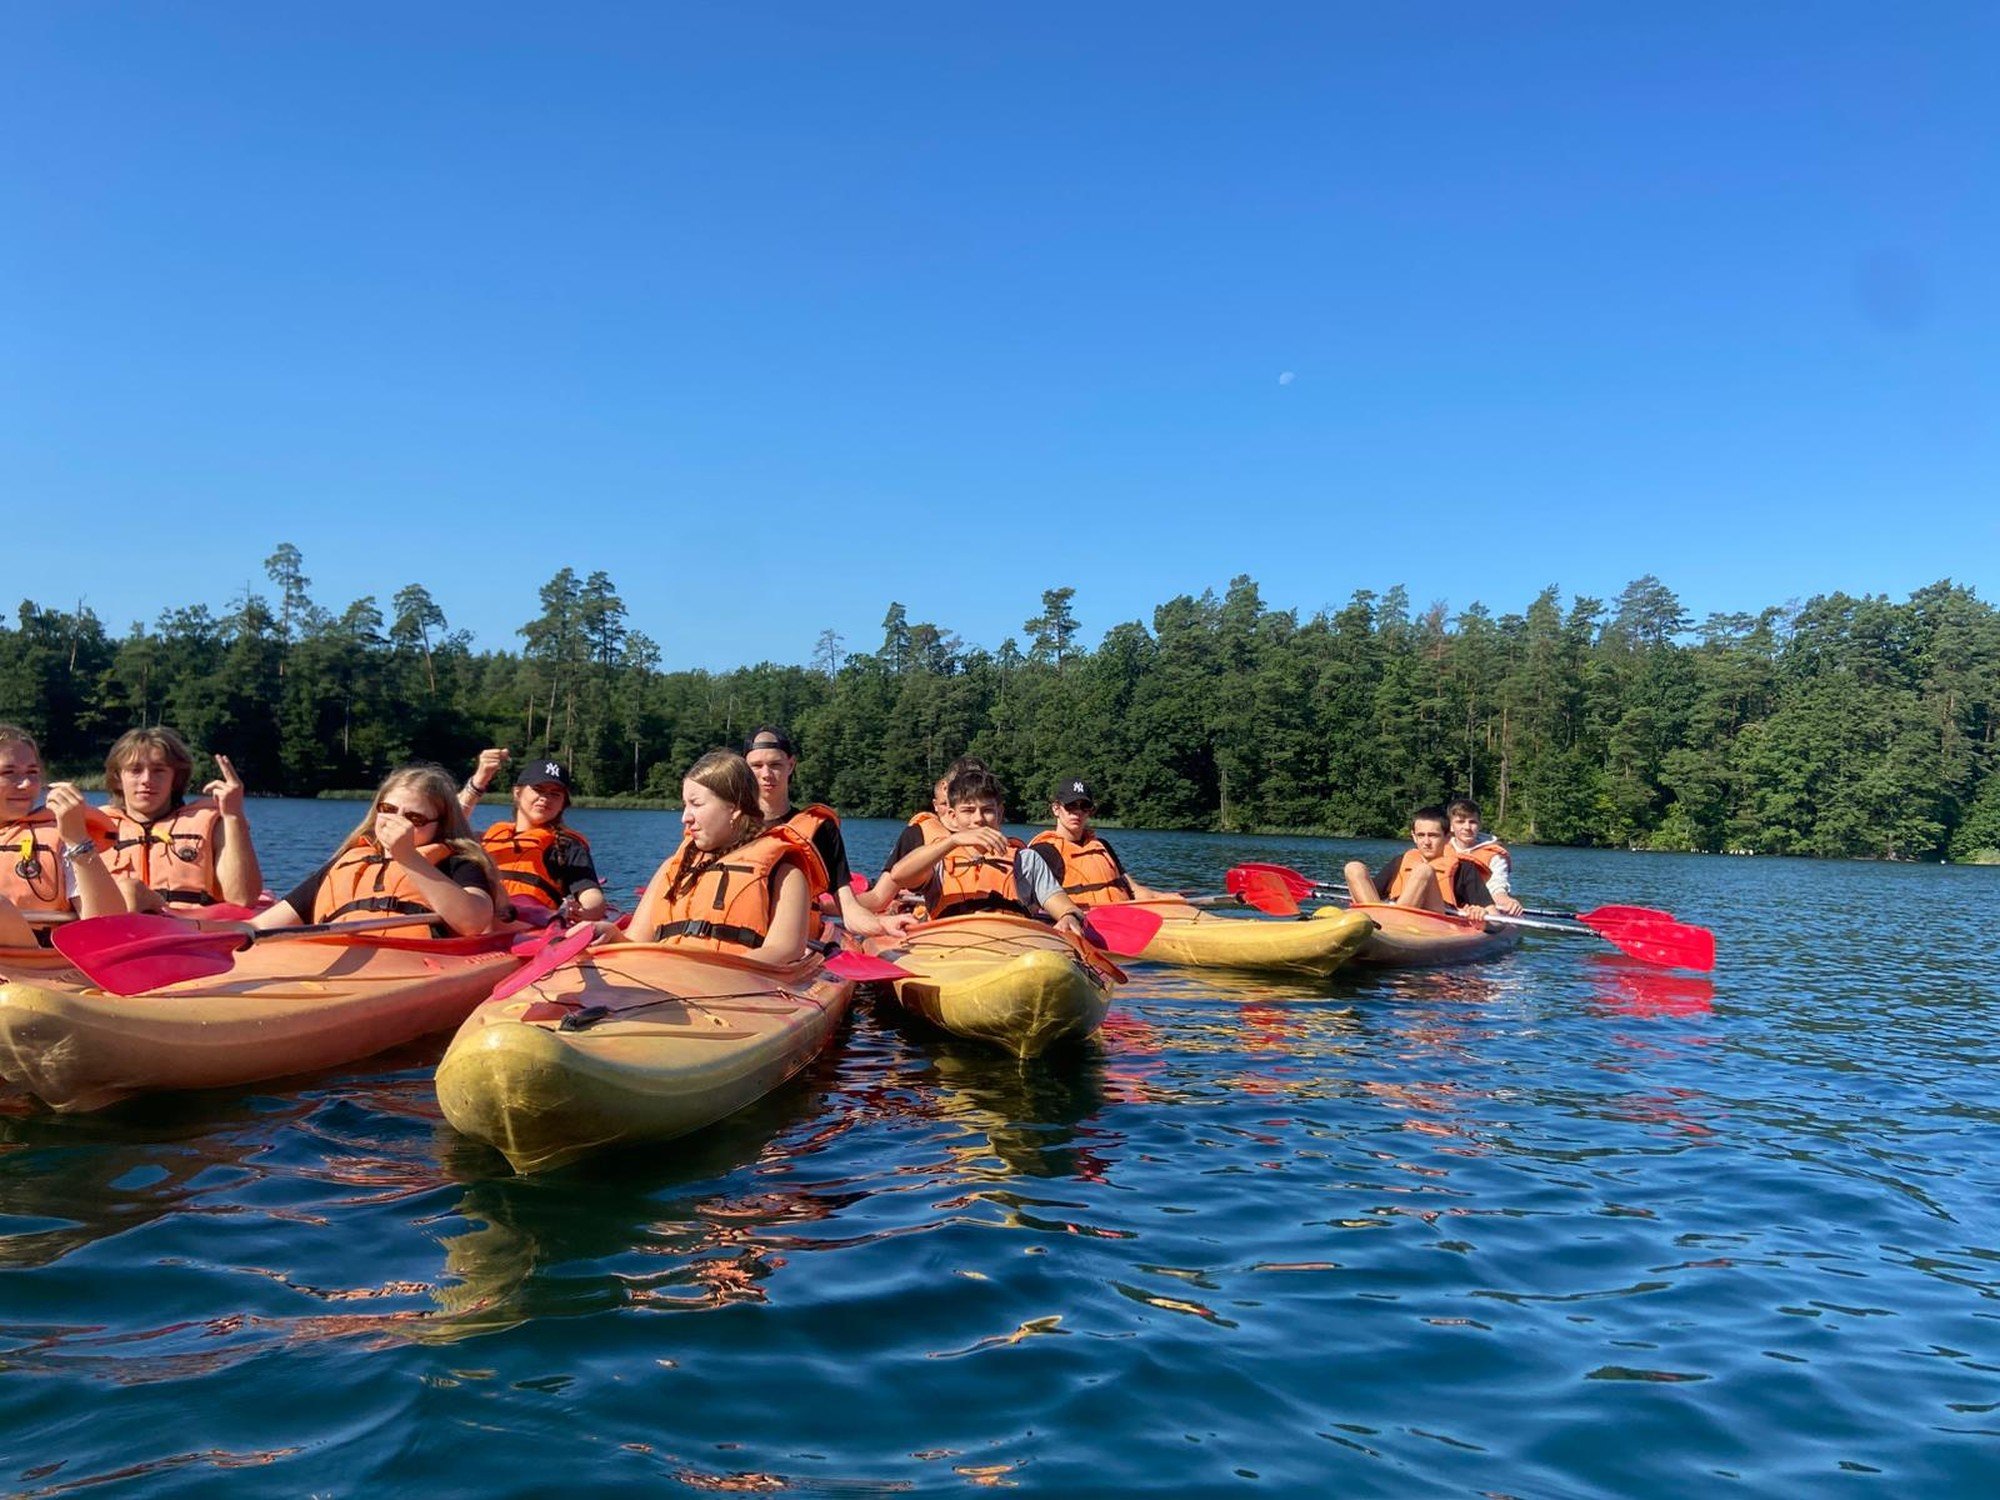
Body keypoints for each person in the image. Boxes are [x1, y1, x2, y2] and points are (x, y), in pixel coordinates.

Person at [595, 750, 820, 969]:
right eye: (685, 805)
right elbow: (635, 941)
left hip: (734, 984)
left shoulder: (785, 871)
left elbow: (784, 949)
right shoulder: (672, 867)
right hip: (665, 979)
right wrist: (612, 935)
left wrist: (708, 974)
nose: (685, 817)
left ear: (734, 808)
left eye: (696, 804)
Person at [250, 764, 506, 939]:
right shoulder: (347, 861)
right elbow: (263, 925)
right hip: (333, 959)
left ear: (440, 825)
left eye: (414, 818)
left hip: (413, 965)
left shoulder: (459, 862)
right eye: (388, 809)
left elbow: (473, 922)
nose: (396, 821)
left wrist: (407, 856)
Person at [883, 766, 1091, 941]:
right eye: (968, 810)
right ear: (953, 817)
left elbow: (1066, 907)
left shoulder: (1026, 860)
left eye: (987, 810)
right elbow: (899, 875)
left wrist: (1069, 917)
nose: (978, 819)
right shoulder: (938, 860)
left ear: (1000, 813)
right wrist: (953, 841)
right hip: (949, 949)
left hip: (1010, 948)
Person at [741, 726, 910, 938]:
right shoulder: (729, 825)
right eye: (757, 766)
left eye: (775, 765)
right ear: (745, 768)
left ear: (791, 765)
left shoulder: (820, 829)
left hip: (796, 946)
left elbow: (849, 909)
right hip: (736, 942)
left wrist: (881, 925)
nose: (766, 774)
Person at [99, 727, 265, 912]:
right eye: (135, 770)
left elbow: (243, 898)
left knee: (130, 891)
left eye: (159, 770)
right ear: (118, 778)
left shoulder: (212, 822)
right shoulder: (93, 827)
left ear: (176, 778)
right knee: (129, 890)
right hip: (116, 923)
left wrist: (234, 816)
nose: (147, 779)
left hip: (189, 923)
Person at [0, 723, 124, 945]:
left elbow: (110, 929)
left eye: (32, 772)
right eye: (8, 773)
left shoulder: (59, 838)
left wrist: (77, 838)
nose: (26, 784)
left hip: (35, 960)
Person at [458, 748, 606, 920]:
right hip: (476, 915)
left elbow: (591, 894)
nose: (545, 798)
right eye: (538, 789)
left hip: (528, 921)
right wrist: (480, 780)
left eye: (555, 794)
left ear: (563, 804)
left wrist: (586, 911)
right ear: (517, 793)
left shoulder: (567, 845)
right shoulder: (483, 839)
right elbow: (445, 822)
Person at [1027, 775, 1170, 907]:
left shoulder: (1102, 846)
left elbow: (1134, 889)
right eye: (1071, 805)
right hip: (1079, 920)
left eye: (1085, 806)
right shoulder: (1042, 852)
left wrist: (1165, 897)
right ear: (1056, 809)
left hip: (1122, 915)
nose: (1078, 812)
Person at [870, 754, 989, 912]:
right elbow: (878, 898)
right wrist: (840, 904)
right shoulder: (918, 834)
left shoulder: (1010, 851)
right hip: (935, 919)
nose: (971, 794)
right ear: (946, 788)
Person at [1343, 805, 1495, 919]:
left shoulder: (1464, 868)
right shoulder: (1400, 862)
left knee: (1424, 870)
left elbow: (1493, 915)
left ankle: (1390, 925)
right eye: (1421, 835)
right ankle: (1373, 925)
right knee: (1354, 867)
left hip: (1435, 920)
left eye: (1433, 836)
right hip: (1387, 919)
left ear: (1447, 837)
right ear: (1414, 837)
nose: (1426, 842)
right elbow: (1372, 896)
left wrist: (1481, 913)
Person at [1446, 796, 1523, 916]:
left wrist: (1506, 901)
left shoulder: (1495, 855)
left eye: (1472, 822)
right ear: (1451, 826)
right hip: (1445, 904)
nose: (1467, 827)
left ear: (1479, 825)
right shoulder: (1441, 847)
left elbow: (1497, 886)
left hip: (1480, 907)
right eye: (1460, 822)